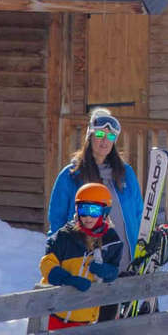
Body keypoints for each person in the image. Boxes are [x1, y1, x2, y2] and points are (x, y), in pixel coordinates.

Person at [39, 183, 122, 335]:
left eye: (94, 210)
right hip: (55, 312)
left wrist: (107, 271)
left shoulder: (112, 240)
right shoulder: (65, 237)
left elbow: (114, 270)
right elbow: (46, 264)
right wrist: (67, 278)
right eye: (83, 210)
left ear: (105, 211)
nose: (88, 217)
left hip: (82, 317)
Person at [48, 108, 142, 272]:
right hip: (85, 265)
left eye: (110, 136)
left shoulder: (125, 173)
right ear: (89, 137)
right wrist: (57, 256)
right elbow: (57, 220)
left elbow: (138, 214)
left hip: (124, 262)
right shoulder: (71, 175)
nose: (104, 141)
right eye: (99, 135)